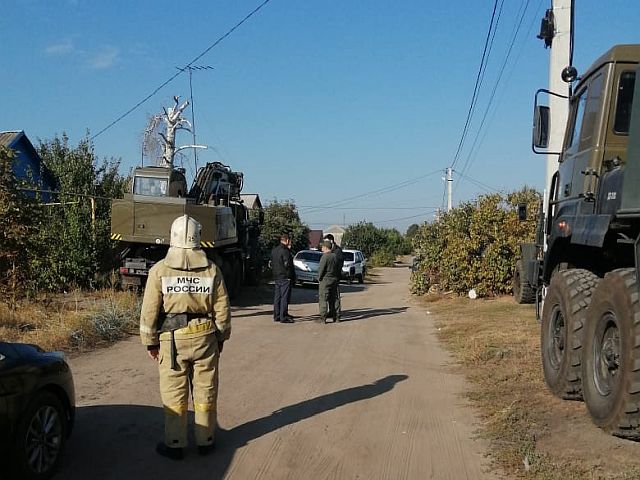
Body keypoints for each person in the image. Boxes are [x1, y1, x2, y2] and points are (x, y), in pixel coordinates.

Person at [140, 214, 231, 460]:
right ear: (197, 239)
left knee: (173, 392)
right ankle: (206, 440)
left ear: (173, 237)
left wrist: (150, 341)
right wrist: (221, 337)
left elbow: (150, 311)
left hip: (172, 340)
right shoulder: (212, 270)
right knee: (205, 390)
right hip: (205, 337)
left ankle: (175, 443)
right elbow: (222, 309)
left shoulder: (159, 271)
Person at [271, 233, 295, 323]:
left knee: (277, 296)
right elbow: (287, 264)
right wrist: (290, 276)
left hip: (276, 276)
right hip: (285, 277)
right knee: (284, 297)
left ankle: (276, 315)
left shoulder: (274, 250)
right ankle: (283, 316)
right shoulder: (285, 251)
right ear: (287, 240)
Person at [318, 239, 341, 323]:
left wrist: (319, 278)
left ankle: (323, 317)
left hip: (325, 280)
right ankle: (337, 316)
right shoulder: (335, 256)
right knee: (335, 298)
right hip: (334, 279)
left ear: (325, 247)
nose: (321, 248)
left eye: (322, 247)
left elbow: (321, 269)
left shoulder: (325, 256)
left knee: (323, 298)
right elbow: (339, 268)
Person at [324, 234, 344, 318]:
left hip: (335, 277)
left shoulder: (337, 250)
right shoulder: (327, 250)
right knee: (328, 296)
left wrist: (335, 273)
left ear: (331, 241)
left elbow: (339, 264)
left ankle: (336, 313)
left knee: (335, 296)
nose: (325, 243)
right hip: (327, 277)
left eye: (326, 241)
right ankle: (330, 311)